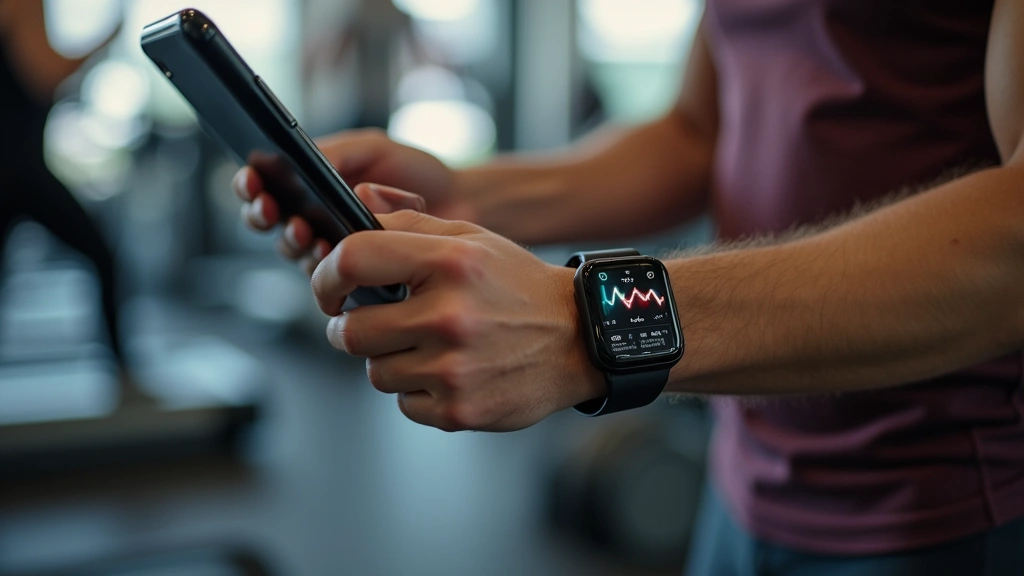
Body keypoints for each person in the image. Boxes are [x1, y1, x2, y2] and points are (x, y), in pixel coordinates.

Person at [235, 0, 1024, 574]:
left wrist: (587, 324)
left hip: (946, 499)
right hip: (745, 480)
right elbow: (696, 132)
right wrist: (471, 196)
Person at [0, 0, 126, 368]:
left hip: (19, 171)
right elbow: (45, 76)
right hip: (19, 173)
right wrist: (107, 36)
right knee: (103, 258)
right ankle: (123, 373)